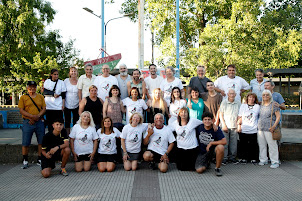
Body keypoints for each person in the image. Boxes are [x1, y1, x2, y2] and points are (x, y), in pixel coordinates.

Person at [18, 81, 46, 169]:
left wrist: (37, 116)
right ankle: (25, 160)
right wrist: (31, 117)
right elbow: (21, 110)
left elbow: (44, 108)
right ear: (27, 88)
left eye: (34, 87)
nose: (32, 89)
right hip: (27, 121)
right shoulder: (23, 97)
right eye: (30, 87)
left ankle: (40, 158)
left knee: (41, 141)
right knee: (26, 142)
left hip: (38, 120)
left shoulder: (40, 97)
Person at [195, 112, 227, 176]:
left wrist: (211, 143)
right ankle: (207, 163)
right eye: (205, 119)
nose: (207, 121)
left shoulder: (216, 129)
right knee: (199, 170)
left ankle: (217, 168)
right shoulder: (199, 127)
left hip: (212, 151)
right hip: (202, 152)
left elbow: (224, 141)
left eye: (209, 119)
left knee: (220, 147)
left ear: (212, 120)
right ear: (202, 121)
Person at [258, 90, 281, 168]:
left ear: (270, 96)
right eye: (264, 95)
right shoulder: (261, 105)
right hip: (261, 128)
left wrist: (274, 126)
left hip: (270, 128)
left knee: (272, 145)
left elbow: (278, 116)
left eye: (267, 95)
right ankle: (263, 159)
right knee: (262, 145)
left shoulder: (274, 105)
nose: (265, 96)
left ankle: (275, 161)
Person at [237, 92, 260, 164]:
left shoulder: (257, 106)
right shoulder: (243, 106)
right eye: (250, 97)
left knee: (253, 144)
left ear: (255, 99)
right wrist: (239, 126)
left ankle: (253, 158)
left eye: (253, 97)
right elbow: (239, 116)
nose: (251, 99)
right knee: (243, 144)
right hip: (244, 128)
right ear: (247, 98)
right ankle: (244, 158)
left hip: (253, 129)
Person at [219, 88, 241, 165]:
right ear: (228, 94)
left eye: (233, 94)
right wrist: (223, 125)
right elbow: (221, 114)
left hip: (234, 126)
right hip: (225, 126)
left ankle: (232, 158)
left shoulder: (238, 103)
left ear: (235, 95)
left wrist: (238, 125)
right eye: (230, 93)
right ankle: (224, 158)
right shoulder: (224, 102)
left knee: (234, 144)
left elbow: (240, 115)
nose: (232, 95)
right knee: (225, 143)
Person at [64, 67, 79, 134]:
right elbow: (63, 93)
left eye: (74, 71)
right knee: (67, 121)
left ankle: (75, 135)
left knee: (76, 121)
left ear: (77, 73)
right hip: (67, 104)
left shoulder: (79, 81)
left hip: (77, 104)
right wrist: (63, 104)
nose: (73, 72)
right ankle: (67, 137)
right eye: (72, 71)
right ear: (69, 73)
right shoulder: (66, 81)